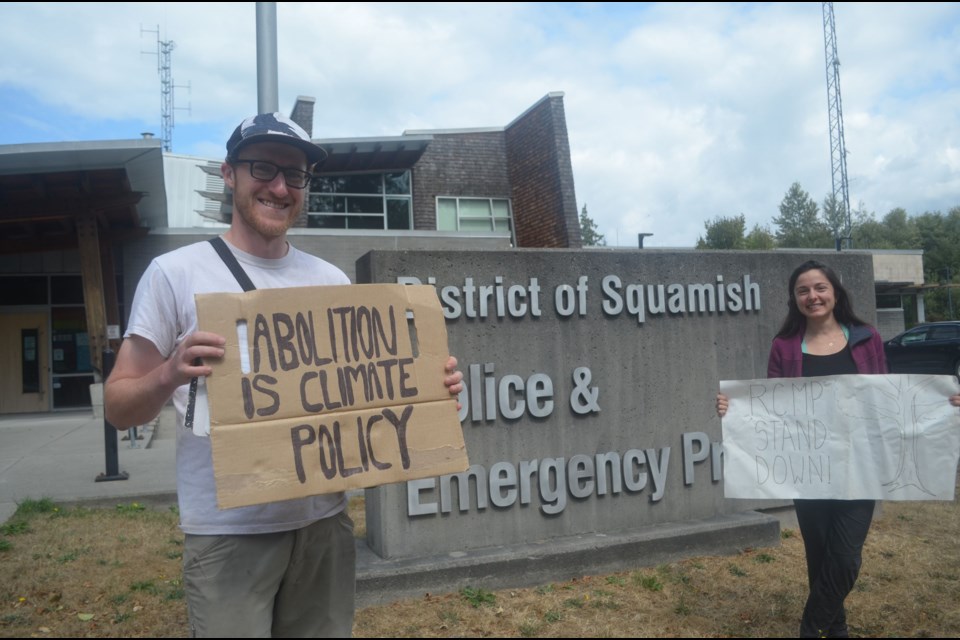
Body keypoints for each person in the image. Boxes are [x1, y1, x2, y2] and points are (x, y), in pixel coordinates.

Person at [104, 112, 465, 638]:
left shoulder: (330, 281)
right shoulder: (175, 274)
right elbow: (118, 407)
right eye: (263, 169)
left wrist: (427, 393)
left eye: (294, 175)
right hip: (228, 534)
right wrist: (168, 374)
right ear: (230, 175)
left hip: (324, 527)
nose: (279, 187)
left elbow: (360, 398)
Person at [715, 259, 960, 639]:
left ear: (834, 292)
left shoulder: (867, 337)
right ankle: (838, 628)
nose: (812, 296)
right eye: (803, 290)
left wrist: (942, 403)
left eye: (819, 288)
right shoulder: (784, 346)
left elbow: (889, 396)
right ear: (794, 299)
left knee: (845, 557)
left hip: (860, 466)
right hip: (807, 469)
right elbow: (772, 406)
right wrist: (735, 408)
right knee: (820, 553)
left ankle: (810, 629)